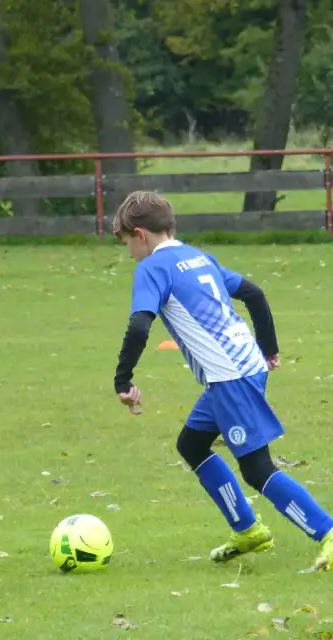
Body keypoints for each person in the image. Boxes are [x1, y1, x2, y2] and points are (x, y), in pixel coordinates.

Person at [111, 190, 332, 573]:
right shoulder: (196, 256)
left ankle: (326, 531)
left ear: (140, 234)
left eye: (127, 242)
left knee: (257, 469)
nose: (129, 251)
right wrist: (269, 348)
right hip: (242, 368)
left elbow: (139, 324)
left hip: (231, 376)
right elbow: (253, 293)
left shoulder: (151, 268)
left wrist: (123, 380)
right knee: (192, 444)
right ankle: (247, 530)